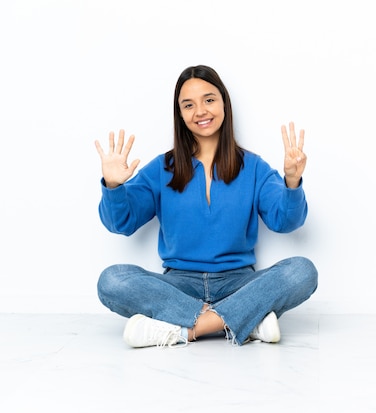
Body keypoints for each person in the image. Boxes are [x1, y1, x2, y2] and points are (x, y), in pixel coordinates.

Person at [94, 65, 318, 348]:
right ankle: (244, 321)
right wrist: (113, 187)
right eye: (189, 105)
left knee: (301, 271)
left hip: (239, 284)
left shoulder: (254, 167)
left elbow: (285, 222)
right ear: (180, 114)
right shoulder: (162, 168)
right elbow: (121, 223)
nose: (200, 111)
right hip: (179, 286)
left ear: (224, 102)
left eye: (209, 100)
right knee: (112, 280)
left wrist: (292, 181)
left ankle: (183, 329)